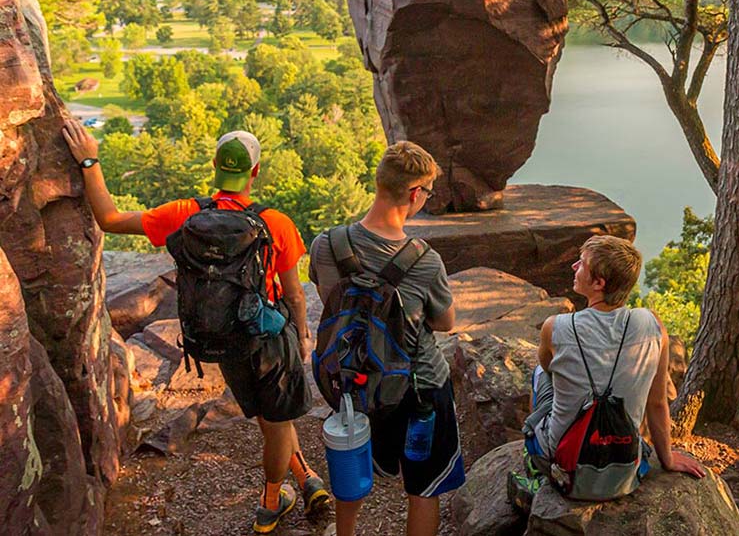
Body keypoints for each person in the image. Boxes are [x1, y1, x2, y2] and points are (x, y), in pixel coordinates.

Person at [62, 121, 330, 534]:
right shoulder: (275, 223)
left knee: (268, 415)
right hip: (270, 337)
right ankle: (271, 502)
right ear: (255, 172)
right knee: (276, 419)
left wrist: (89, 160)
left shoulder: (186, 215)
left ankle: (305, 475)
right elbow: (295, 295)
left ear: (215, 168)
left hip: (220, 335)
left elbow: (110, 219)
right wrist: (303, 337)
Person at [309, 140, 465, 536]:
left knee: (352, 464)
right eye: (427, 192)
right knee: (423, 489)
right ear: (415, 194)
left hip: (353, 383)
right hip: (418, 388)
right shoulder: (424, 260)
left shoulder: (326, 245)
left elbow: (328, 299)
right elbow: (445, 322)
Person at [516, 234, 704, 503]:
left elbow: (547, 368)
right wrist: (668, 458)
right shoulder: (652, 326)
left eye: (580, 264)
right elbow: (657, 403)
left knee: (540, 374)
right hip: (625, 473)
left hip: (568, 468)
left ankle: (541, 465)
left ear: (598, 283)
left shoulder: (555, 327)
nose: (573, 267)